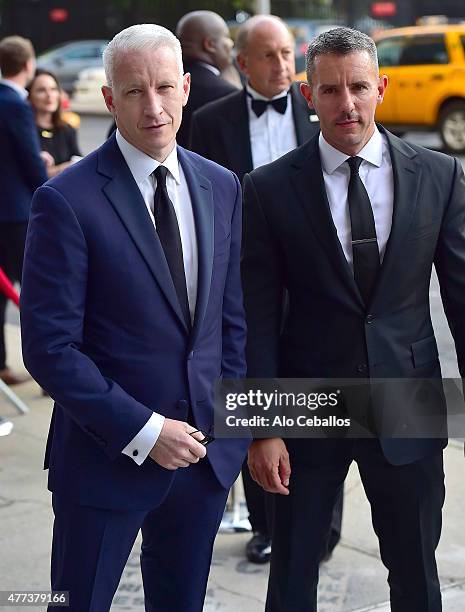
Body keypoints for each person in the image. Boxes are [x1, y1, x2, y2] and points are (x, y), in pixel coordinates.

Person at [20, 23, 248, 612]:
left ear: (187, 88)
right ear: (107, 99)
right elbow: (49, 349)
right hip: (104, 463)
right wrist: (145, 432)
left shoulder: (221, 186)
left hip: (202, 465)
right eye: (134, 92)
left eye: (165, 88)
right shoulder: (66, 200)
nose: (154, 107)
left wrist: (233, 429)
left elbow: (230, 322)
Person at [242, 26, 462, 612]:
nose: (348, 103)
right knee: (290, 578)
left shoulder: (439, 176)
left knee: (417, 573)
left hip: (407, 396)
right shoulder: (266, 190)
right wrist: (260, 427)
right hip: (305, 398)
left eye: (359, 87)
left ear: (381, 88)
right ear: (308, 95)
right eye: (332, 90)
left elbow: (462, 297)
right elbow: (255, 315)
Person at [191, 14, 330, 566]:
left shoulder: (319, 110)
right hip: (243, 280)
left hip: (315, 278)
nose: (280, 65)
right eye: (267, 56)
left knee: (319, 401)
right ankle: (266, 522)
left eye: (287, 53)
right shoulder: (209, 119)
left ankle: (323, 526)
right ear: (241, 62)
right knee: (252, 397)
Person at [0, 35, 48, 386]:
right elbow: (30, 162)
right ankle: (50, 372)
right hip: (16, 214)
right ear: (28, 66)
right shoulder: (16, 105)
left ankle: (1, 364)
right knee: (36, 296)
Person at [175, 10, 237, 148]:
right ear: (210, 45)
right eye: (227, 38)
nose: (231, 45)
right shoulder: (226, 93)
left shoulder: (160, 85)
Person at [28, 69, 82, 178]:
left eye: (53, 89)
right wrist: (65, 168)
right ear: (29, 96)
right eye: (41, 90)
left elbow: (80, 162)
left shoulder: (67, 129)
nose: (49, 95)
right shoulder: (26, 132)